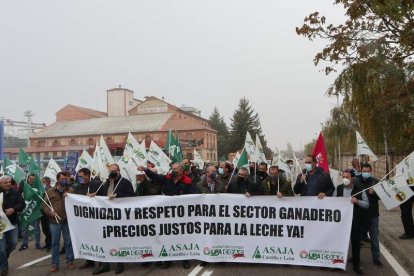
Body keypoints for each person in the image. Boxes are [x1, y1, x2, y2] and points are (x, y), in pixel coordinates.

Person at [138, 163, 193, 269]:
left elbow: (192, 196)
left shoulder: (188, 182)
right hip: (167, 215)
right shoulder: (167, 179)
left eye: (176, 169)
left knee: (182, 238)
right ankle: (168, 260)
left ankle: (185, 259)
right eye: (172, 169)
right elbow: (155, 177)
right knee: (167, 237)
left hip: (181, 214)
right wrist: (146, 169)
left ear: (181, 171)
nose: (173, 171)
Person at [89, 164, 134, 275]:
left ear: (119, 171)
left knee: (119, 240)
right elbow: (102, 195)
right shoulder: (106, 182)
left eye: (114, 171)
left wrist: (118, 195)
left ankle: (120, 264)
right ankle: (105, 265)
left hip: (120, 216)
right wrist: (94, 195)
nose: (112, 173)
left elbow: (132, 196)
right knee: (106, 239)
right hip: (107, 216)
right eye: (111, 171)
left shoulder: (125, 182)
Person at [334, 169, 369, 275]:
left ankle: (356, 265)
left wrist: (357, 201)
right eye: (343, 177)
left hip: (355, 221)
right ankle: (338, 264)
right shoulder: (339, 188)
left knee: (355, 244)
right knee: (339, 243)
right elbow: (332, 200)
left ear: (352, 178)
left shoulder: (359, 189)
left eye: (347, 177)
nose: (344, 179)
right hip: (341, 222)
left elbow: (366, 204)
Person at [42, 171, 76, 273]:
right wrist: (49, 212)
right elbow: (44, 205)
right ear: (58, 179)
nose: (65, 180)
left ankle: (70, 261)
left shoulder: (71, 191)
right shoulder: (50, 191)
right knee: (55, 243)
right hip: (54, 222)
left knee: (68, 242)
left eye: (67, 179)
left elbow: (77, 204)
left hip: (67, 221)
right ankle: (54, 264)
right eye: (63, 178)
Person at [72, 168, 102, 270]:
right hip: (85, 217)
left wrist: (96, 196)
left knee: (99, 239)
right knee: (89, 238)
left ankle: (102, 262)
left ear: (88, 175)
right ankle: (90, 260)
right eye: (79, 176)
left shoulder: (97, 184)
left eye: (82, 176)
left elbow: (105, 197)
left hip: (97, 217)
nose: (80, 178)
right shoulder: (79, 186)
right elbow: (76, 197)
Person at [354, 163, 383, 268]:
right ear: (361, 171)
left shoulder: (376, 182)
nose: (366, 173)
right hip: (359, 214)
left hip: (373, 215)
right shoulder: (356, 181)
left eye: (368, 171)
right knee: (356, 238)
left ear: (371, 171)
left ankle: (376, 259)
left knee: (374, 238)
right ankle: (355, 258)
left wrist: (374, 193)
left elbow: (382, 197)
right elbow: (351, 194)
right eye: (364, 171)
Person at [0, 175, 25, 276]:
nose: (8, 184)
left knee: (13, 243)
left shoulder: (15, 192)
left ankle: (2, 259)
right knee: (1, 248)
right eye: (5, 182)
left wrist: (13, 209)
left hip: (12, 222)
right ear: (0, 183)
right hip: (1, 225)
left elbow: (22, 204)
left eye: (9, 182)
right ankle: (4, 267)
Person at [19, 173, 41, 251]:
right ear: (28, 179)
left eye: (33, 179)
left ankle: (38, 244)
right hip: (26, 211)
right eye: (30, 178)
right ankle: (24, 244)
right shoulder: (24, 187)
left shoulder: (38, 188)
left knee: (36, 229)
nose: (32, 180)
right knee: (24, 229)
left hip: (35, 211)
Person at [40, 177, 52, 251]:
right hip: (42, 212)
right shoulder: (41, 190)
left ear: (48, 182)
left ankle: (50, 245)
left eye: (43, 182)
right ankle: (47, 243)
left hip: (49, 212)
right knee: (44, 229)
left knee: (49, 229)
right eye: (42, 182)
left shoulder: (51, 190)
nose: (42, 183)